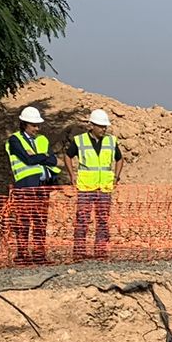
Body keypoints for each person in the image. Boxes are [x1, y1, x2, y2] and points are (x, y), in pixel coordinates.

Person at [3, 104, 60, 264]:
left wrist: (37, 155)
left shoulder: (42, 140)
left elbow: (53, 159)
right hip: (25, 186)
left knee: (40, 221)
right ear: (24, 124)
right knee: (24, 220)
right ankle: (22, 255)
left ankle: (39, 254)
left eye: (38, 125)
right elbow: (27, 160)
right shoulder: (15, 140)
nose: (37, 128)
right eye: (34, 125)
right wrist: (43, 156)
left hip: (43, 186)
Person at [71, 108, 119, 260]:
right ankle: (79, 252)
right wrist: (72, 174)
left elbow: (119, 158)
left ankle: (100, 251)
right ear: (92, 126)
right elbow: (68, 156)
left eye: (105, 126)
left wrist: (116, 177)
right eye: (101, 126)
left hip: (104, 187)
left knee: (103, 219)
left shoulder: (110, 141)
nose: (104, 129)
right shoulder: (80, 140)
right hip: (86, 187)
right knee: (82, 219)